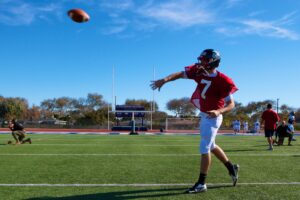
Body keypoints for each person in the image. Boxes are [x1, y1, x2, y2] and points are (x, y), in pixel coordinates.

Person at [151, 49, 239, 193]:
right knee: (211, 146)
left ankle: (201, 184)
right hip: (204, 115)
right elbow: (180, 74)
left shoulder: (223, 80)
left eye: (205, 60)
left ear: (213, 62)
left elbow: (231, 104)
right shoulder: (198, 71)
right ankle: (231, 167)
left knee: (204, 147)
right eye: (202, 59)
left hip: (214, 116)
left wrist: (218, 111)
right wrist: (165, 80)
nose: (201, 62)